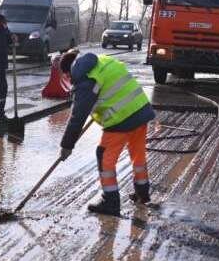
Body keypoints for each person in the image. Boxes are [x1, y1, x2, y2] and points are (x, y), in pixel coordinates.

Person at [58, 49, 156, 216]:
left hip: (122, 119)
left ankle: (110, 201)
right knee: (138, 155)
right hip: (141, 110)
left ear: (69, 71)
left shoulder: (84, 77)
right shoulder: (101, 61)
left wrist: (67, 145)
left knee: (104, 158)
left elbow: (78, 116)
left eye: (67, 76)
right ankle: (143, 193)